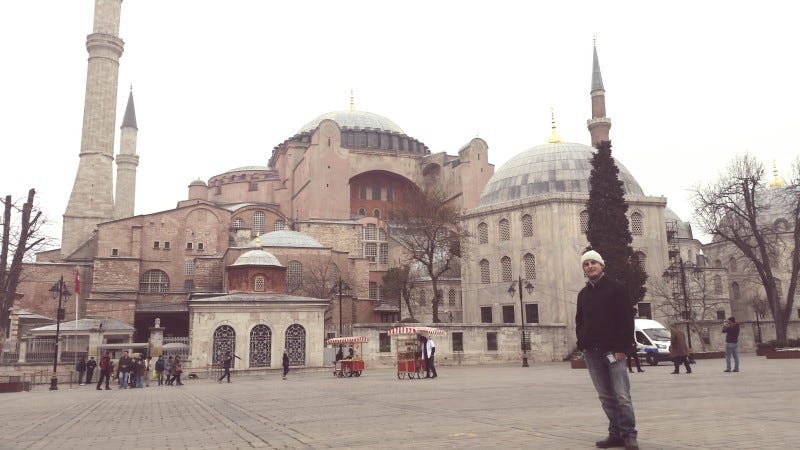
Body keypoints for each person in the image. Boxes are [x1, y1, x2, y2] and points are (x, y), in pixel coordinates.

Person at [575, 250, 639, 450]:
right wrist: (582, 343)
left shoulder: (616, 288)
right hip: (592, 352)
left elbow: (626, 319)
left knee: (621, 395)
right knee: (605, 396)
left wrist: (622, 347)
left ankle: (629, 434)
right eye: (586, 264)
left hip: (614, 351)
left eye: (593, 263)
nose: (590, 267)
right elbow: (580, 321)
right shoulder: (583, 294)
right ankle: (615, 433)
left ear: (601, 265)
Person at [626, 308, 644, 374]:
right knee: (629, 357)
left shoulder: (631, 319)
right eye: (636, 312)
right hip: (629, 343)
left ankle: (638, 368)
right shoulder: (629, 319)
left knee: (635, 357)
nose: (636, 313)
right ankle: (630, 369)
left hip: (632, 343)